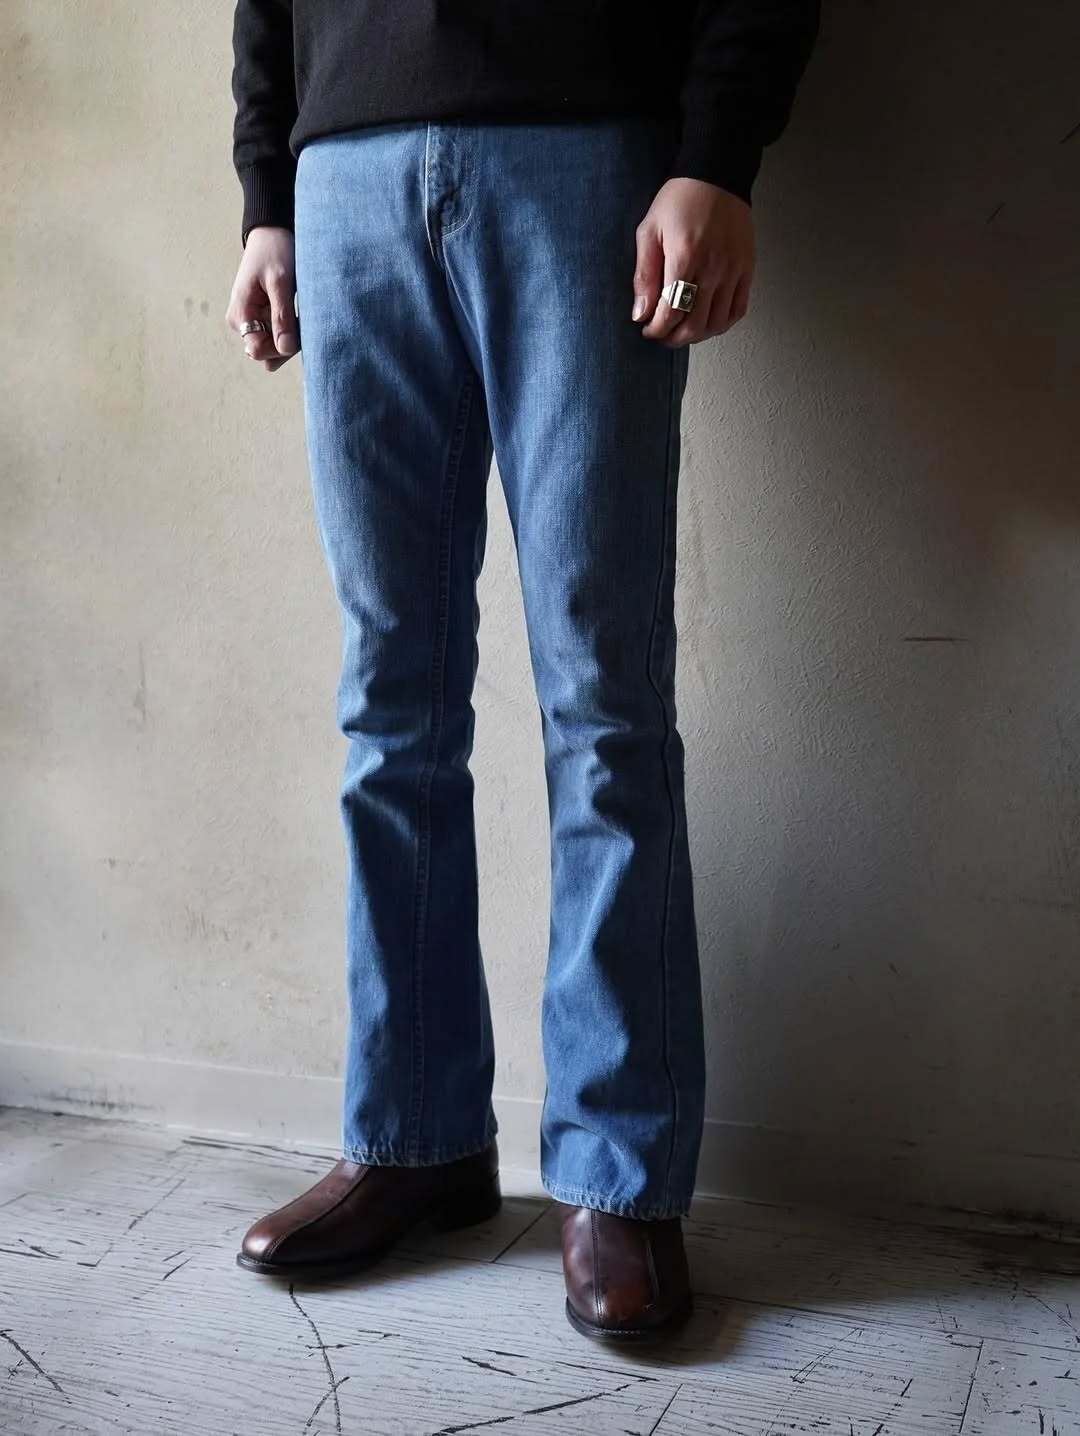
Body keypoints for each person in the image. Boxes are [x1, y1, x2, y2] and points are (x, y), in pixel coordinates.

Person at [226, 0, 818, 1343]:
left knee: (602, 696)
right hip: (346, 176)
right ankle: (415, 1139)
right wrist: (268, 194)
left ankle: (618, 1173)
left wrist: (717, 156)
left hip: (586, 152)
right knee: (389, 701)